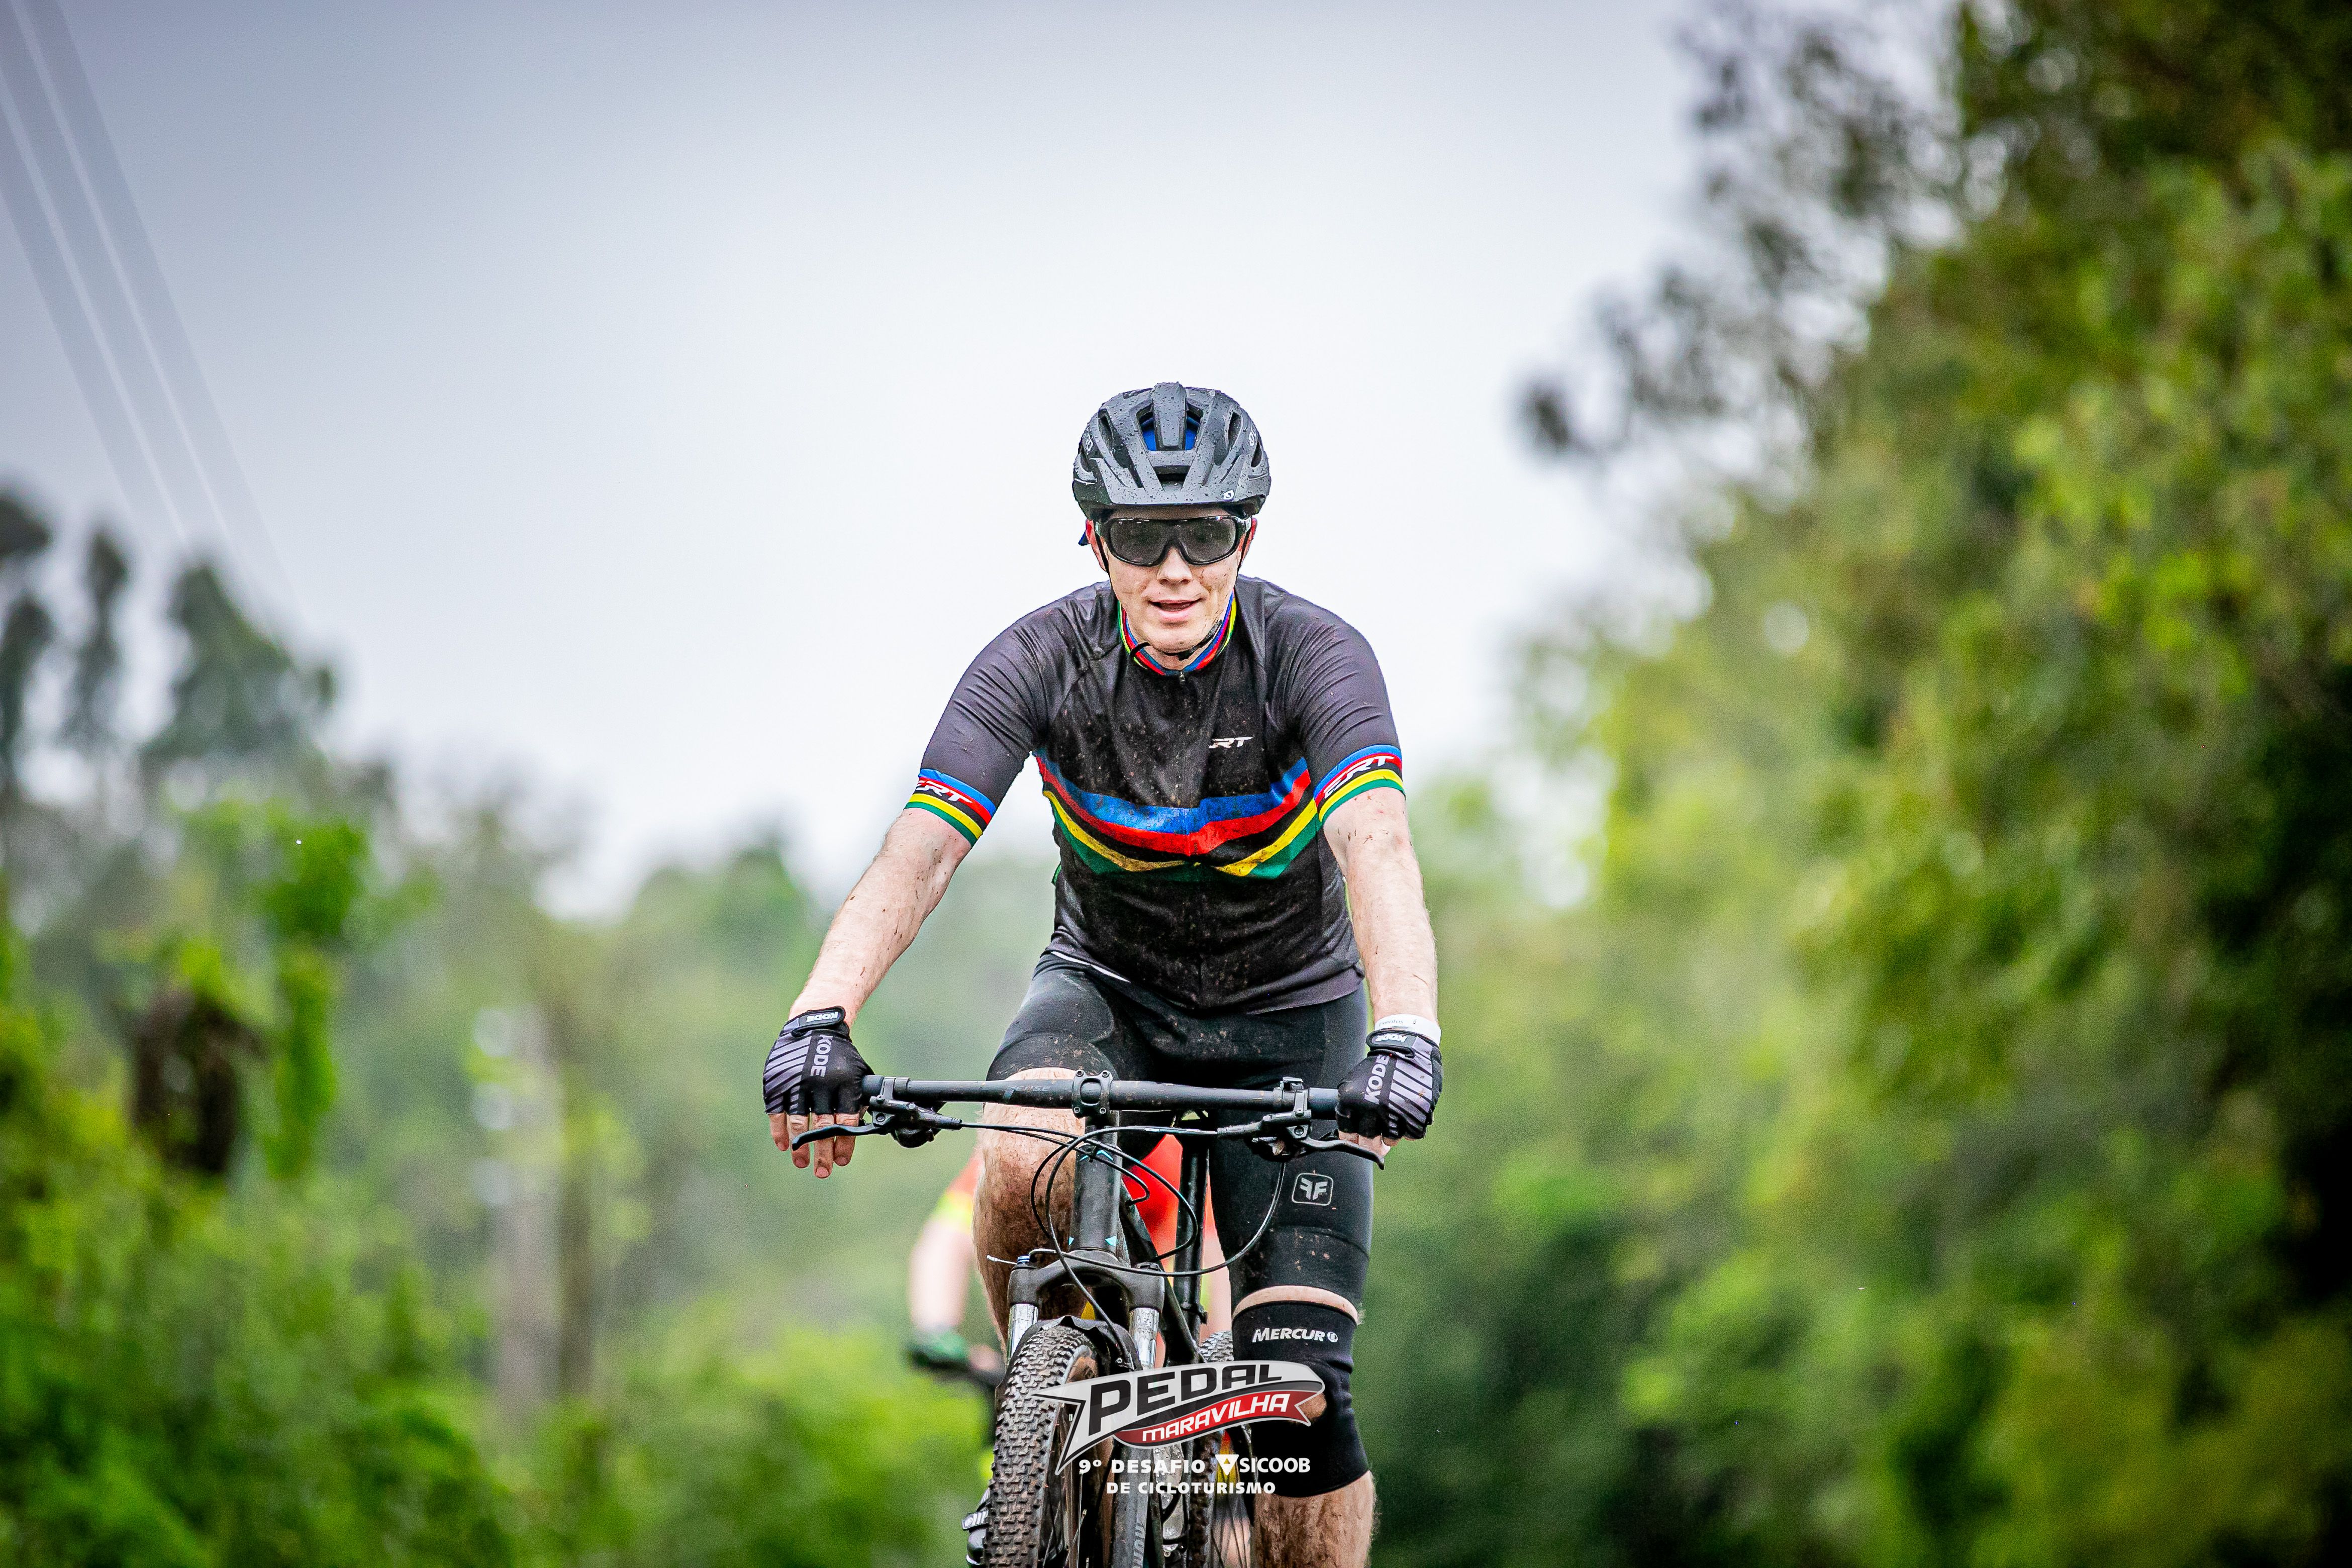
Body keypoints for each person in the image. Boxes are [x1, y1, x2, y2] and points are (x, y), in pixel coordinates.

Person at [764, 382, 1442, 1568]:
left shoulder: (1314, 656)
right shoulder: (1040, 658)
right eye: (1141, 536)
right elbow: (920, 850)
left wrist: (1407, 1032)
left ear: (1247, 536)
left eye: (1205, 534)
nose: (1174, 569)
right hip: (1108, 991)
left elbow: (1375, 842)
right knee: (1020, 1152)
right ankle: (1045, 1443)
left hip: (1294, 1020)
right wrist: (818, 1015)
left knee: (1298, 1403)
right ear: (1094, 537)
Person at [907, 1139, 1228, 1380]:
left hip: (1134, 1314)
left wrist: (1214, 1355)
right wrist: (938, 1330)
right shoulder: (1020, 1148)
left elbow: (1207, 1259)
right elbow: (950, 1233)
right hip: (1037, 1314)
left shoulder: (1162, 1156)